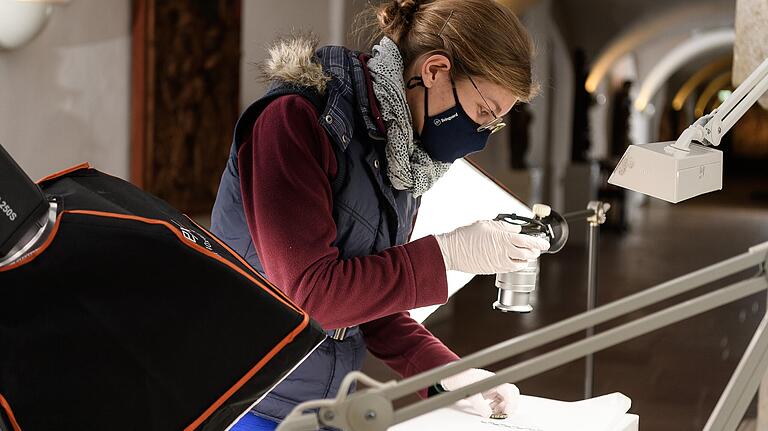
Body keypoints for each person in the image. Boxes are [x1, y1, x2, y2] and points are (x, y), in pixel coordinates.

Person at [210, 1, 548, 429]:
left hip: (323, 400)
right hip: (249, 399)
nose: (480, 136)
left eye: (493, 123)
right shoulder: (295, 121)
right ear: (435, 70)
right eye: (484, 113)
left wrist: (447, 376)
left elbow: (370, 304)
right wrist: (446, 255)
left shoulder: (401, 154)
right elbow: (312, 298)